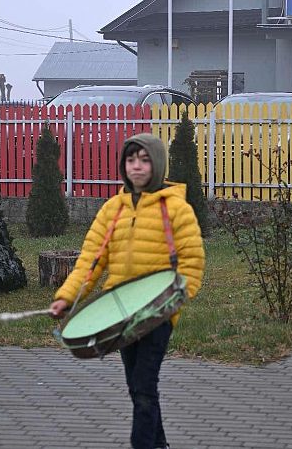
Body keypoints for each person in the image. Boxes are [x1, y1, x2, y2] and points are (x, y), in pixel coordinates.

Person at [49, 133, 205, 449]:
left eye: (144, 160)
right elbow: (90, 261)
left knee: (144, 386)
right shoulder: (113, 210)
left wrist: (175, 301)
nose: (137, 166)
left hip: (157, 316)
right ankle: (159, 443)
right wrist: (66, 297)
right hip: (119, 316)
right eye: (131, 160)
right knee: (137, 387)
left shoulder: (176, 209)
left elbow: (192, 263)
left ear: (157, 164)